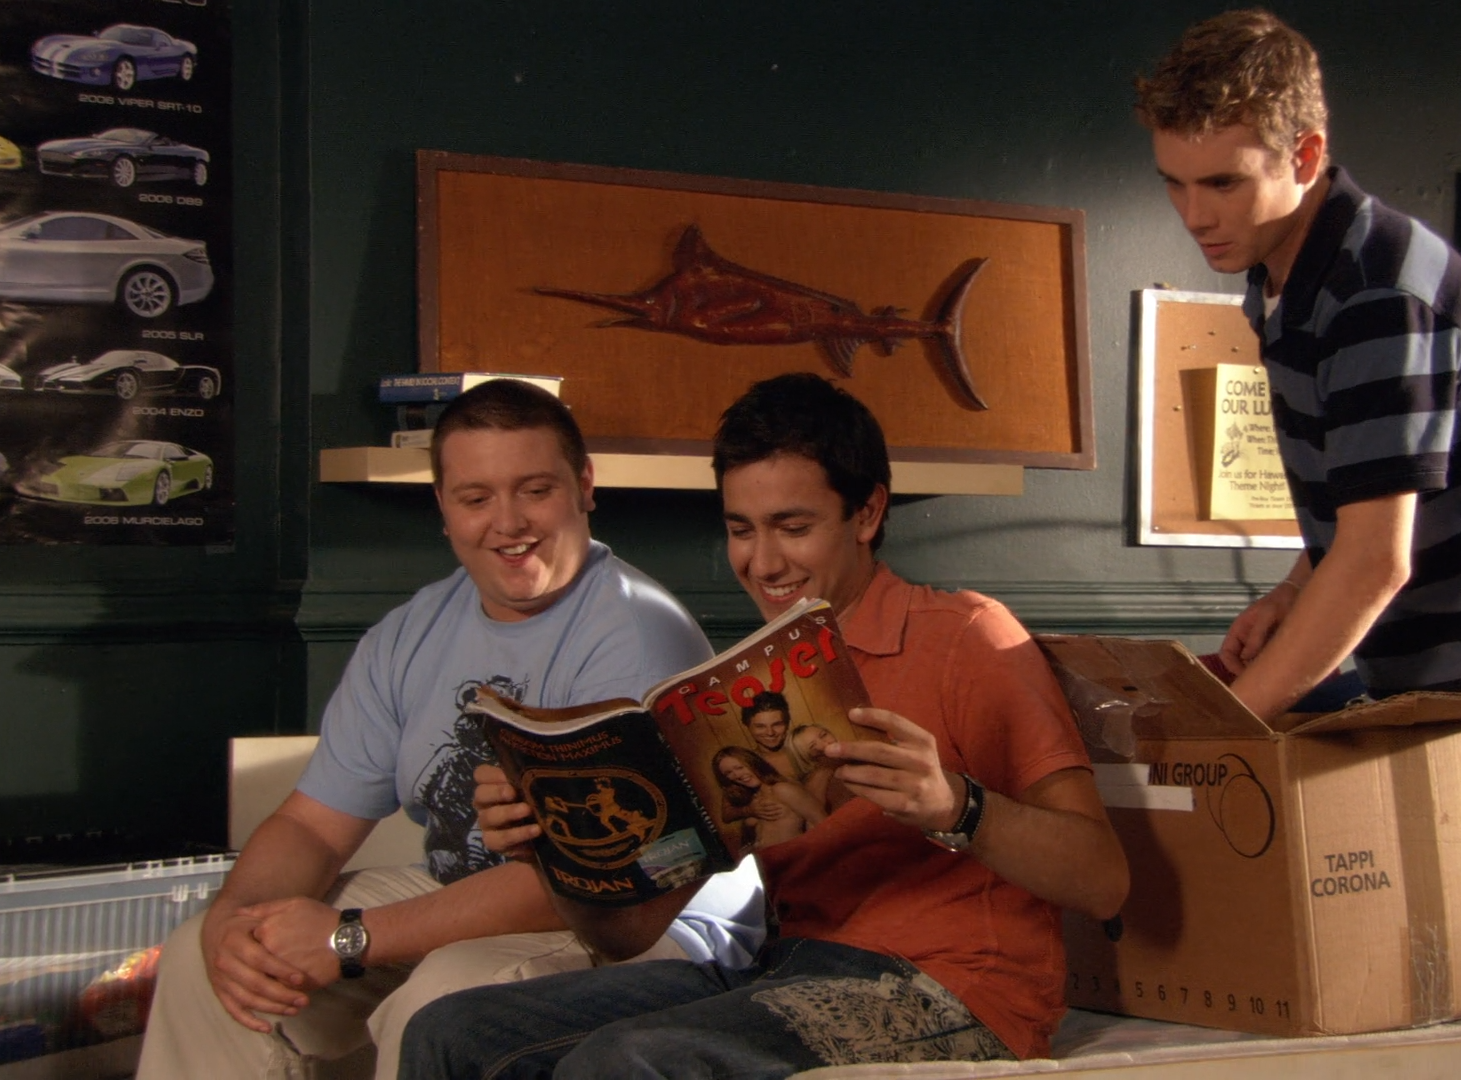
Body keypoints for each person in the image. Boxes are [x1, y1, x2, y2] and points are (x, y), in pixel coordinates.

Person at [401, 372, 1129, 1078]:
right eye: (741, 530)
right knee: (452, 1030)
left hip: (954, 987)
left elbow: (1103, 882)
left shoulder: (967, 636)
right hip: (784, 967)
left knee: (627, 1062)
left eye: (793, 527)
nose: (763, 562)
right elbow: (625, 937)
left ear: (867, 514)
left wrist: (956, 806)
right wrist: (551, 849)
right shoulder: (737, 690)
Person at [1137, 9, 1461, 1027]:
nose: (1194, 213)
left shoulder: (1375, 294)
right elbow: (1368, 505)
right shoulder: (1284, 278)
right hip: (1430, 680)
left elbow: (1374, 562)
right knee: (1449, 997)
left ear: (1307, 155)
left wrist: (1231, 731)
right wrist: (1293, 589)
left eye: (1222, 182)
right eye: (1174, 182)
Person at [137, 381, 764, 1080]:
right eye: (476, 498)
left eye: (535, 491)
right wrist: (234, 916)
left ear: (584, 487)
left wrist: (348, 938)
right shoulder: (410, 632)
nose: (508, 523)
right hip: (466, 896)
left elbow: (587, 885)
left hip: (644, 928)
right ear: (443, 506)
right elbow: (312, 826)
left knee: (443, 998)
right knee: (213, 955)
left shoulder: (639, 637)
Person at [712, 745, 826, 850]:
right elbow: (726, 815)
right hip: (766, 859)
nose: (737, 775)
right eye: (728, 773)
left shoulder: (781, 789)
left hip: (791, 856)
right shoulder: (751, 796)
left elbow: (820, 820)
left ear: (753, 763)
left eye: (739, 767)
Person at [740, 690, 799, 779]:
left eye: (777, 724)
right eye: (760, 726)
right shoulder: (746, 765)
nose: (770, 733)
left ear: (787, 724)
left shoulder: (805, 752)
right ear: (748, 727)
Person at [786, 723, 843, 806]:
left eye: (823, 735)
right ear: (805, 756)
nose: (826, 743)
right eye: (812, 746)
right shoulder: (819, 777)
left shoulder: (851, 755)